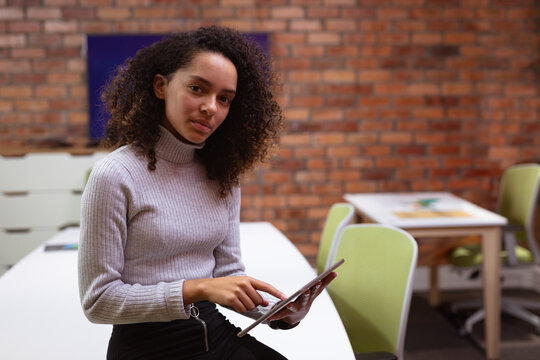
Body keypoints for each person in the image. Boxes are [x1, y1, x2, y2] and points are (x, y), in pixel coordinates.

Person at [78, 26, 336, 360]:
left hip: (215, 334)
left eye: (224, 99)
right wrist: (198, 287)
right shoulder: (114, 175)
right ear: (161, 86)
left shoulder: (222, 174)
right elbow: (98, 302)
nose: (211, 107)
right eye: (197, 88)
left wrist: (277, 313)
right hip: (146, 347)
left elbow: (228, 275)